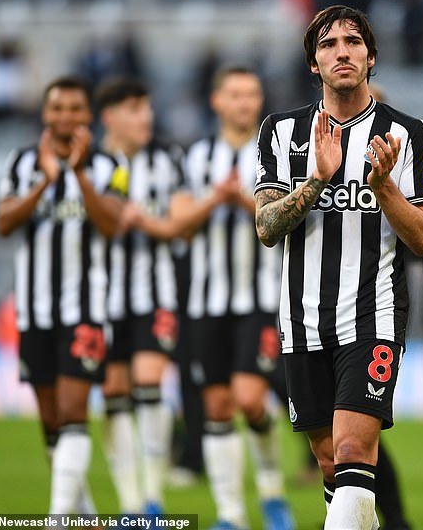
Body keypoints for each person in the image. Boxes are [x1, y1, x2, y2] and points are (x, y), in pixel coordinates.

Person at [254, 5, 423, 530]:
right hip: (303, 319)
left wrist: (383, 188)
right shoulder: (280, 131)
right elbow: (266, 228)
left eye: (353, 42)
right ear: (314, 62)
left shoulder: (410, 134)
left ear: (371, 57)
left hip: (373, 313)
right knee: (333, 464)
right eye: (329, 44)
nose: (342, 51)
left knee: (356, 445)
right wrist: (316, 180)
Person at [125, 66, 294, 530]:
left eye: (252, 94)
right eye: (235, 95)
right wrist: (214, 201)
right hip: (204, 303)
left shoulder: (278, 154)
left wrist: (242, 201)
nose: (244, 103)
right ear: (217, 101)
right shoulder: (194, 157)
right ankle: (232, 514)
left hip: (260, 299)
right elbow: (178, 224)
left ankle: (272, 490)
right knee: (217, 408)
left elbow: (286, 221)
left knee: (251, 399)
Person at [0, 76, 126, 514]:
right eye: (58, 108)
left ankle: (55, 520)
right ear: (45, 114)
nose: (66, 117)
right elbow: (4, 223)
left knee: (72, 411)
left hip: (84, 309)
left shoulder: (110, 165)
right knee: (51, 423)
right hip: (35, 313)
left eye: (75, 109)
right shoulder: (21, 163)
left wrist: (78, 174)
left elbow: (110, 224)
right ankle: (85, 517)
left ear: (88, 116)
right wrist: (44, 183)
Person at [95, 77, 185, 515]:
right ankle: (130, 503)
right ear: (110, 116)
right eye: (134, 108)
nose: (145, 117)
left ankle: (153, 499)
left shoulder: (168, 159)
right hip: (99, 300)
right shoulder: (90, 163)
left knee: (149, 384)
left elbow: (180, 224)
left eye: (147, 108)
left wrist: (140, 220)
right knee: (113, 394)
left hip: (156, 294)